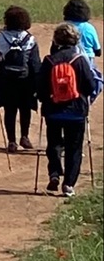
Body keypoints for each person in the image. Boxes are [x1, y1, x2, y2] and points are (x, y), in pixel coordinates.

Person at [37, 23, 102, 198]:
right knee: (74, 148)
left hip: (53, 110)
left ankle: (55, 173)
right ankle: (69, 184)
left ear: (56, 40)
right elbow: (89, 86)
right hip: (77, 111)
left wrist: (45, 99)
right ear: (76, 40)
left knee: (54, 143)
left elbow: (41, 88)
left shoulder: (49, 60)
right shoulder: (80, 60)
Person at [0, 5, 41, 151]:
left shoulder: (0, 38)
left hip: (7, 81)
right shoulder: (30, 39)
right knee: (25, 109)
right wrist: (37, 84)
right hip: (25, 81)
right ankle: (24, 136)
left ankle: (11, 141)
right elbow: (35, 63)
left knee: (10, 110)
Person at [62, 0, 102, 67]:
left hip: (68, 61)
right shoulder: (89, 28)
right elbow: (98, 51)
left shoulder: (64, 27)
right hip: (87, 61)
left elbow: (54, 48)